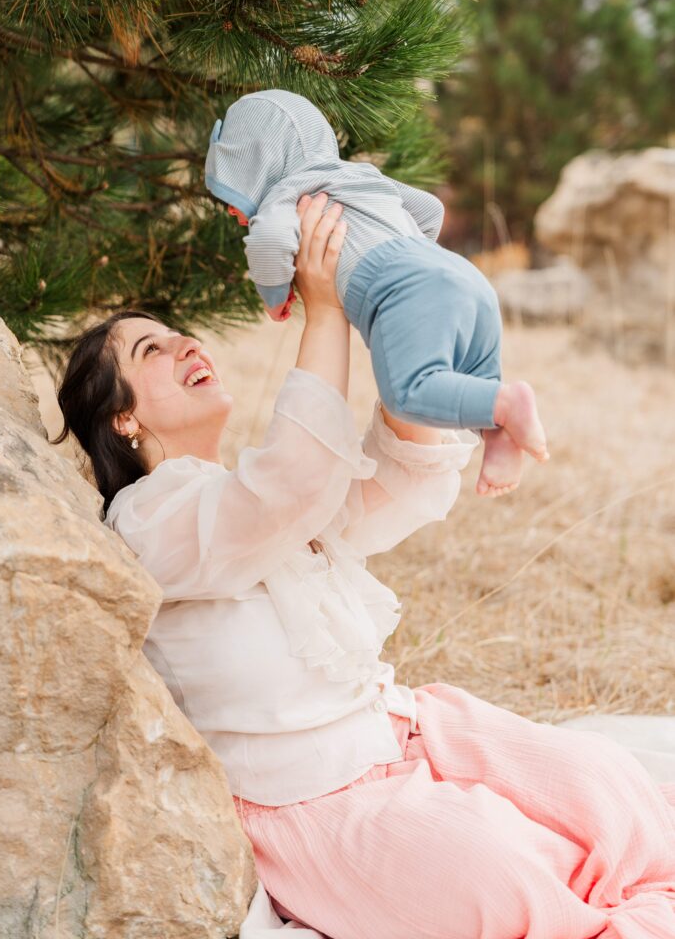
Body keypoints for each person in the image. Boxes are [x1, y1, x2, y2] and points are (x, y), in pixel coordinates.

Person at [53, 193, 675, 939]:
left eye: (181, 334)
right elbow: (289, 485)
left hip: (407, 730)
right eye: (151, 350)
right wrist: (321, 316)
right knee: (502, 887)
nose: (187, 344)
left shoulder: (241, 495)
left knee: (614, 796)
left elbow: (384, 488)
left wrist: (390, 314)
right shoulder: (150, 519)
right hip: (321, 801)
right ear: (123, 418)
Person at [205, 88, 550, 498]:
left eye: (231, 192)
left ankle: (508, 403)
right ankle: (499, 435)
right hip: (461, 273)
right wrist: (419, 256)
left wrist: (275, 295)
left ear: (261, 165)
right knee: (469, 380)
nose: (230, 210)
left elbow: (270, 241)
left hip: (407, 284)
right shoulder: (360, 176)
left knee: (409, 394)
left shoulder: (287, 195)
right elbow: (429, 208)